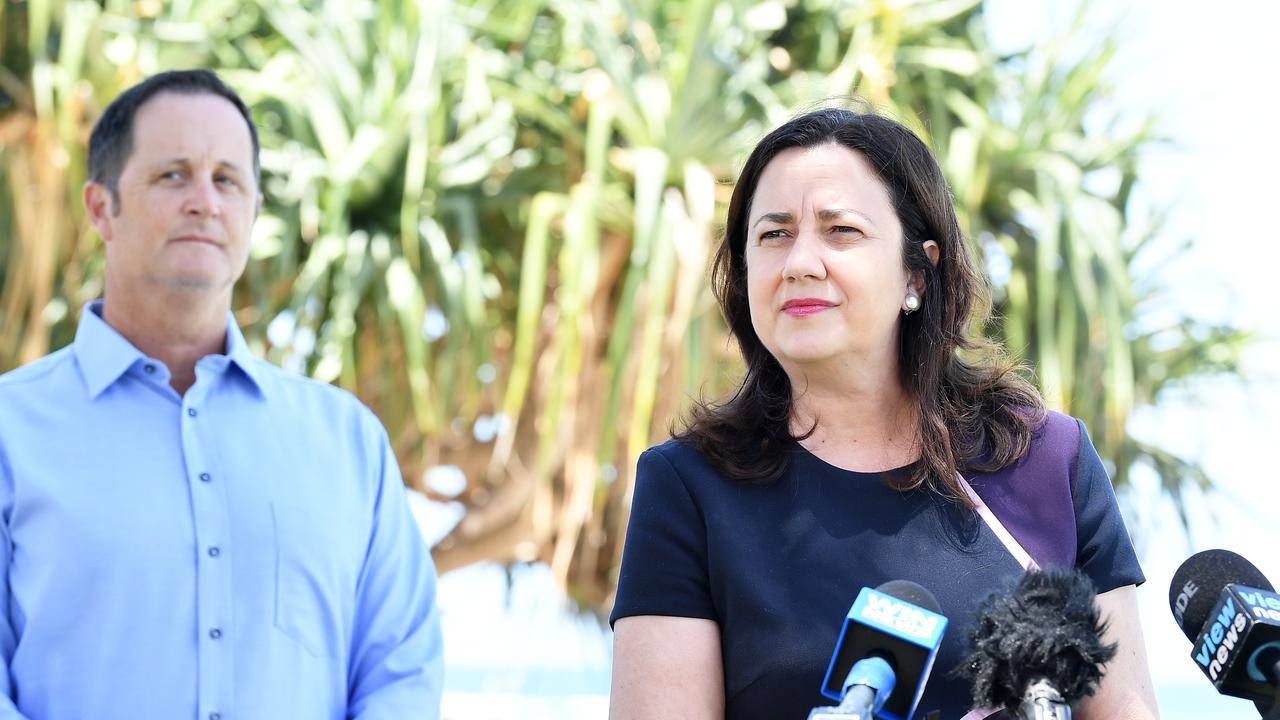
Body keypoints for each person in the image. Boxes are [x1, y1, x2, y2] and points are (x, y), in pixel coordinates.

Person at [608, 107, 1159, 719]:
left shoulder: (1051, 460)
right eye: (773, 234)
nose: (800, 263)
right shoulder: (687, 486)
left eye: (841, 230)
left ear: (917, 273)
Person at [0, 70, 443, 719]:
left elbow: (400, 671)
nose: (204, 201)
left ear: (254, 211)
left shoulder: (346, 441)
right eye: (173, 175)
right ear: (101, 208)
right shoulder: (11, 428)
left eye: (227, 180)